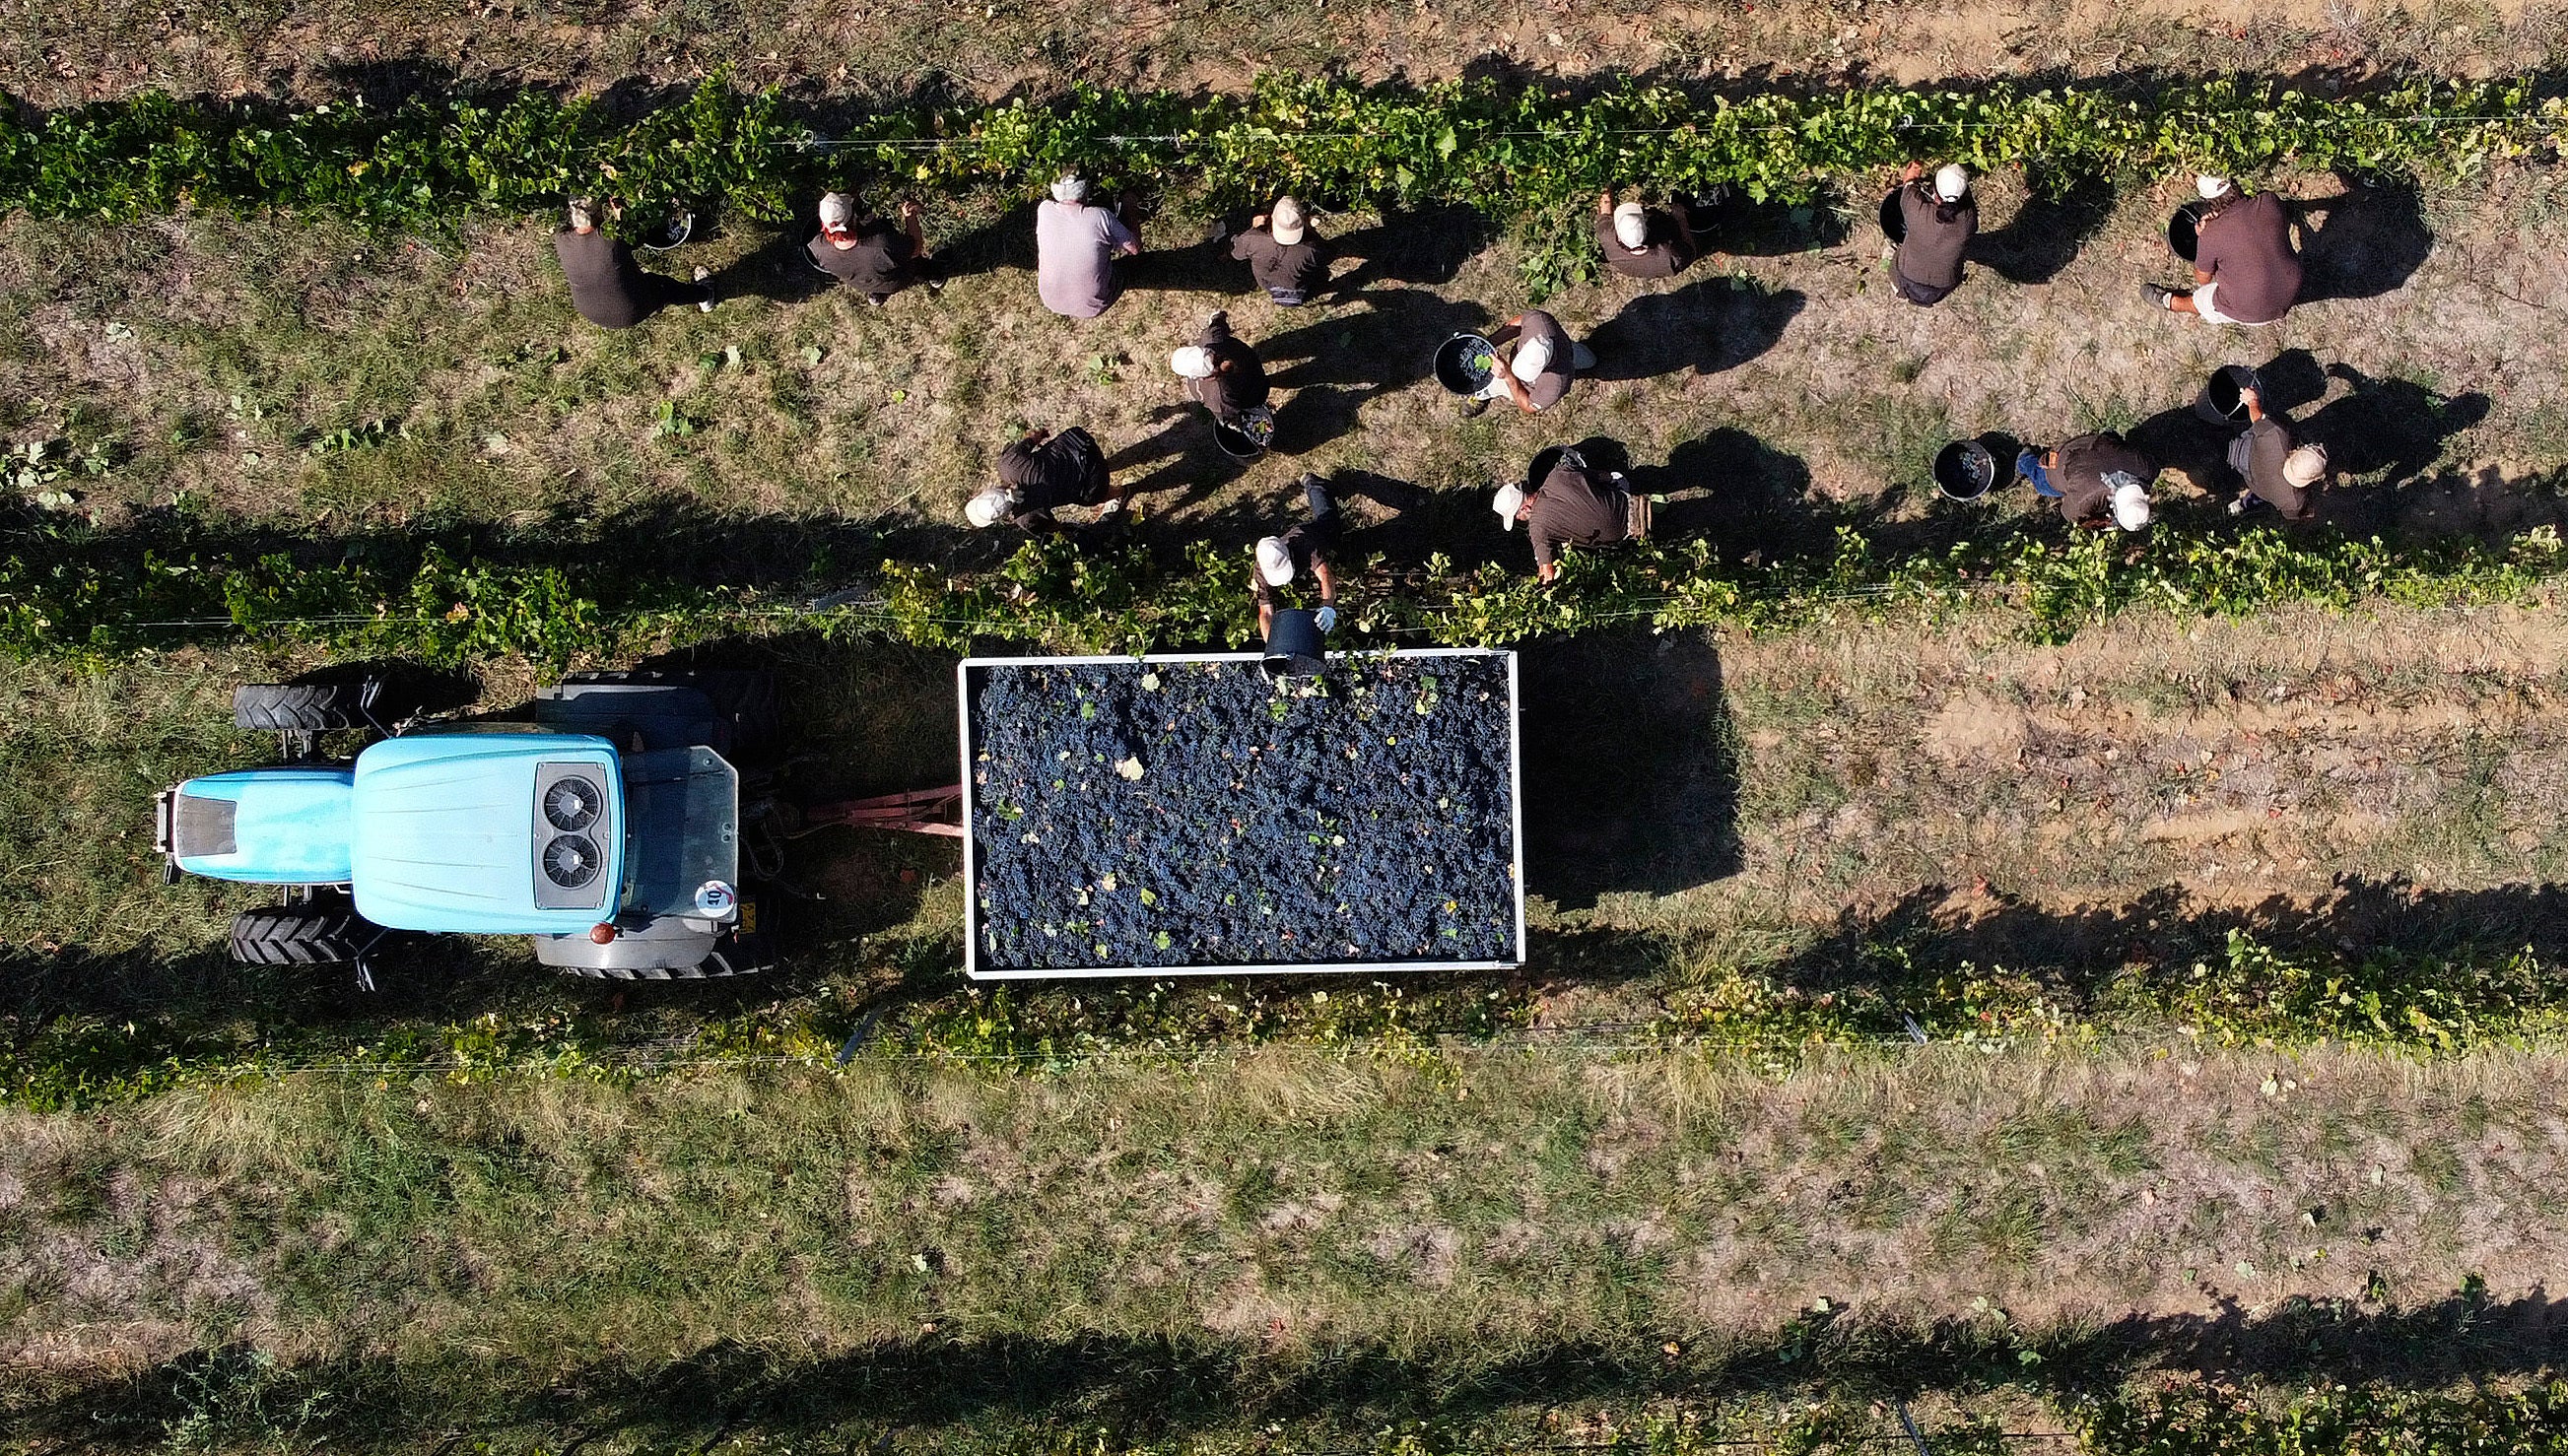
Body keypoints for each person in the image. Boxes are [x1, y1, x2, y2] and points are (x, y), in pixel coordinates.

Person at [2146, 175, 2302, 326]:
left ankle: (2172, 302)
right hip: (2292, 288)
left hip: (2255, 310)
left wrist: (2203, 237)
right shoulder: (2269, 201)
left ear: (2209, 202)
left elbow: (2202, 279)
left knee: (2202, 299)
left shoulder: (2210, 236)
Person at [553, 199, 711, 329]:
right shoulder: (610, 241)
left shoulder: (561, 240)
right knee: (663, 287)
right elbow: (637, 237)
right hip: (629, 310)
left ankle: (648, 301)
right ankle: (706, 295)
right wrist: (621, 216)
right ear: (598, 216)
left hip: (589, 310)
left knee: (632, 279)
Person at [1493, 448, 1640, 584]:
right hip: (1627, 501)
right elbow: (1605, 477)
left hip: (1623, 535)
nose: (1519, 520)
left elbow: (1547, 575)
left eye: (1516, 516)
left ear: (1525, 508)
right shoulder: (1559, 473)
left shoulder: (1537, 529)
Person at [965, 427, 1124, 531]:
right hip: (1080, 441)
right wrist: (1040, 434)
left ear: (1002, 517)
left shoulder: (1026, 517)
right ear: (986, 491)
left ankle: (1122, 492)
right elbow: (1033, 437)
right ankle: (1104, 464)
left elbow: (1056, 528)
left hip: (1095, 478)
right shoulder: (1007, 463)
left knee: (1093, 497)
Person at [1035, 174, 1142, 319]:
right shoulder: (1100, 216)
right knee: (1129, 264)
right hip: (1093, 306)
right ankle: (1129, 200)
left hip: (1051, 301)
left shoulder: (1044, 209)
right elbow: (1134, 248)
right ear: (1085, 191)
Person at [1252, 475, 1342, 641]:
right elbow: (1265, 612)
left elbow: (1325, 575)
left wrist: (1327, 607)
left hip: (1317, 533)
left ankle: (1313, 485)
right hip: (1301, 555)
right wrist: (1272, 646)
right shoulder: (1261, 570)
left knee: (1330, 523)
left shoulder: (1306, 543)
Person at [808, 191, 936, 304]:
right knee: (914, 260)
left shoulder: (817, 247)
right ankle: (933, 274)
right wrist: (910, 216)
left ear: (824, 225)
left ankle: (876, 295)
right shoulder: (880, 245)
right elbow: (916, 247)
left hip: (862, 284)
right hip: (895, 281)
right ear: (853, 218)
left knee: (873, 275)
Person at [2016, 433, 2156, 532]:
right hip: (2064, 456)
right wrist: (2097, 520)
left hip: (2095, 441)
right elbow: (2067, 513)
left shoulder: (2147, 470)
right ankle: (2024, 459)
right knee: (2042, 485)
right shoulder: (2085, 499)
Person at [2226, 384, 2326, 520]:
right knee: (2262, 493)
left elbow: (2257, 418)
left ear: (2295, 453)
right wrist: (2307, 512)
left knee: (2265, 427)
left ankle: (2241, 504)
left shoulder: (2276, 437)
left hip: (2245, 463)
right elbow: (2292, 515)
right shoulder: (2294, 501)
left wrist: (2252, 400)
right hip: (2260, 490)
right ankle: (2244, 504)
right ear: (2312, 480)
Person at [1470, 310, 1594, 417]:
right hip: (1564, 348)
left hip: (1520, 383)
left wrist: (1509, 378)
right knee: (1588, 359)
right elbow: (1518, 323)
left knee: (1492, 385)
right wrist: (1488, 344)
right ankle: (1479, 396)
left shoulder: (1556, 386)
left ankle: (1482, 394)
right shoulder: (1539, 321)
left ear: (1545, 368)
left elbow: (1529, 407)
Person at [1892, 162, 1977, 306]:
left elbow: (1909, 182)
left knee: (1890, 251)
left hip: (1906, 277)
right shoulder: (1968, 222)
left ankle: (1898, 287)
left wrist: (1913, 172)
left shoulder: (1915, 209)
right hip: (1943, 288)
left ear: (1935, 193)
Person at [1170, 311, 1268, 424]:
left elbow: (1217, 320)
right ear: (1201, 378)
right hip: (1254, 389)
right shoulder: (1220, 396)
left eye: (1215, 358)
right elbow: (1230, 414)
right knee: (1263, 386)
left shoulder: (1213, 337)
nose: (1223, 363)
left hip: (1252, 365)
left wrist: (1219, 317)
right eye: (1215, 367)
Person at [1230, 196, 1329, 304]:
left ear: (1272, 217)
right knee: (1322, 274)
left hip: (1267, 284)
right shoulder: (1312, 249)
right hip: (1301, 288)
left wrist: (1254, 229)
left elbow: (1236, 254)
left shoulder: (1251, 239)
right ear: (1303, 221)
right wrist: (1311, 231)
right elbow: (1329, 255)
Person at [1594, 187, 1698, 281]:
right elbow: (1692, 251)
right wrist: (1680, 217)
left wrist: (1606, 186)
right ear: (1647, 229)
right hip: (1674, 251)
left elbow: (1605, 206)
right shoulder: (1673, 256)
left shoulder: (1607, 235)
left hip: (1643, 266)